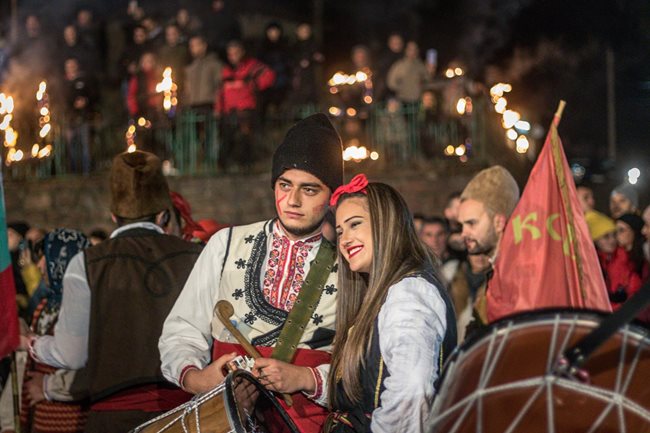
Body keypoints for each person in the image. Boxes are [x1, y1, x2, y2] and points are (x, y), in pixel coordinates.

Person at [159, 113, 343, 433]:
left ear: (332, 196)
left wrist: (307, 378)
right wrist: (196, 377)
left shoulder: (350, 264)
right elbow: (182, 329)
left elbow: (368, 366)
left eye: (310, 190)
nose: (293, 201)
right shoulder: (225, 244)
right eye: (285, 185)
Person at [21, 151, 203, 433]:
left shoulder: (86, 263)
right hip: (186, 419)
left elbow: (71, 355)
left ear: (113, 215)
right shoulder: (198, 256)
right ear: (163, 214)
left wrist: (31, 342)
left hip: (112, 421)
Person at [274, 174, 456, 433]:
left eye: (355, 224)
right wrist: (305, 379)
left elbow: (412, 392)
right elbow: (366, 387)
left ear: (386, 224)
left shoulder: (409, 292)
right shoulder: (386, 290)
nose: (345, 239)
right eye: (340, 231)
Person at [457, 165, 520, 328]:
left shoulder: (520, 275)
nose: (463, 233)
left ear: (499, 222)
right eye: (462, 225)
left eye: (471, 223)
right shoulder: (497, 270)